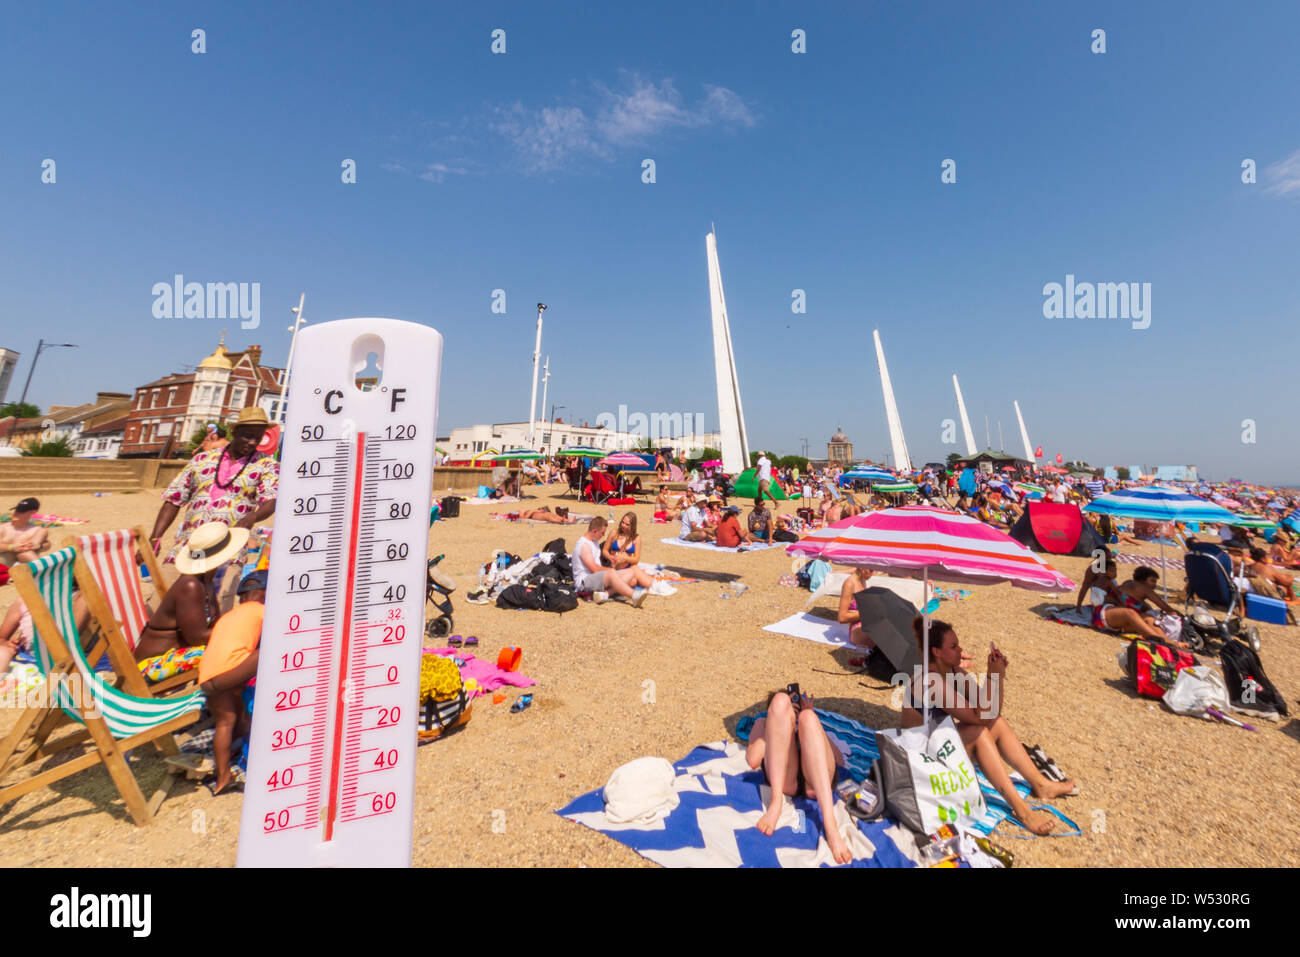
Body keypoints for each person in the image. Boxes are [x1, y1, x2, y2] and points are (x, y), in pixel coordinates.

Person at [900, 618, 1076, 836]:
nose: (960, 650)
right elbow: (978, 718)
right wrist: (992, 676)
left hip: (940, 744)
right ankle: (1023, 812)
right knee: (978, 733)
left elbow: (990, 713)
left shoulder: (955, 673)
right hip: (921, 759)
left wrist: (997, 676)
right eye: (953, 647)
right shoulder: (930, 681)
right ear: (936, 651)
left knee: (996, 724)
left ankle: (1041, 784)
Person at [150, 407, 277, 569]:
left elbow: (271, 500)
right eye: (248, 436)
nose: (252, 442)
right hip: (191, 548)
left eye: (257, 438)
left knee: (217, 591)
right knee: (175, 589)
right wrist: (155, 537)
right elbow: (174, 499)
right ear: (236, 432)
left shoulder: (266, 465)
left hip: (229, 553)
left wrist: (254, 516)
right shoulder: (202, 459)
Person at [745, 687, 854, 864]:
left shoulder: (806, 722)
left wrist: (806, 720)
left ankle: (830, 825)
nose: (791, 707)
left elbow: (839, 760)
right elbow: (753, 760)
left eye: (793, 702)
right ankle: (776, 803)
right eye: (789, 705)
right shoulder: (764, 723)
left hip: (815, 781)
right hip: (786, 779)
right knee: (781, 700)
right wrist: (776, 729)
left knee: (809, 718)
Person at [134, 522, 248, 660]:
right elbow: (197, 638)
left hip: (176, 654)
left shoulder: (206, 581)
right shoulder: (191, 586)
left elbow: (214, 624)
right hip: (157, 662)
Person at [197, 570, 266, 794]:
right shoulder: (263, 612)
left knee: (225, 723)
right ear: (265, 594)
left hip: (207, 678)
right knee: (269, 648)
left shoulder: (227, 617)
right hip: (229, 674)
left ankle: (223, 778)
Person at [571, 516, 653, 605]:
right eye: (602, 533)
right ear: (595, 531)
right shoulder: (584, 545)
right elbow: (594, 569)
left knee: (630, 572)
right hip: (584, 582)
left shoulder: (593, 541)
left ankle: (605, 595)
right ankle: (634, 596)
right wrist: (610, 571)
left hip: (595, 578)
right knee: (611, 573)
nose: (603, 535)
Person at [0, 498, 50, 565]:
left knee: (25, 552)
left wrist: (39, 546)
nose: (17, 513)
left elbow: (47, 544)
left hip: (24, 563)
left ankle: (40, 571)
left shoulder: (39, 530)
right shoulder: (3, 528)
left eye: (22, 511)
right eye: (17, 509)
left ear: (33, 512)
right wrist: (11, 547)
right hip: (3, 564)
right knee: (25, 552)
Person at [837, 566, 876, 649]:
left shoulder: (863, 580)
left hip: (866, 624)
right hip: (857, 629)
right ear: (862, 567)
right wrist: (866, 613)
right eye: (871, 570)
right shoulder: (849, 583)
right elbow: (842, 617)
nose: (872, 574)